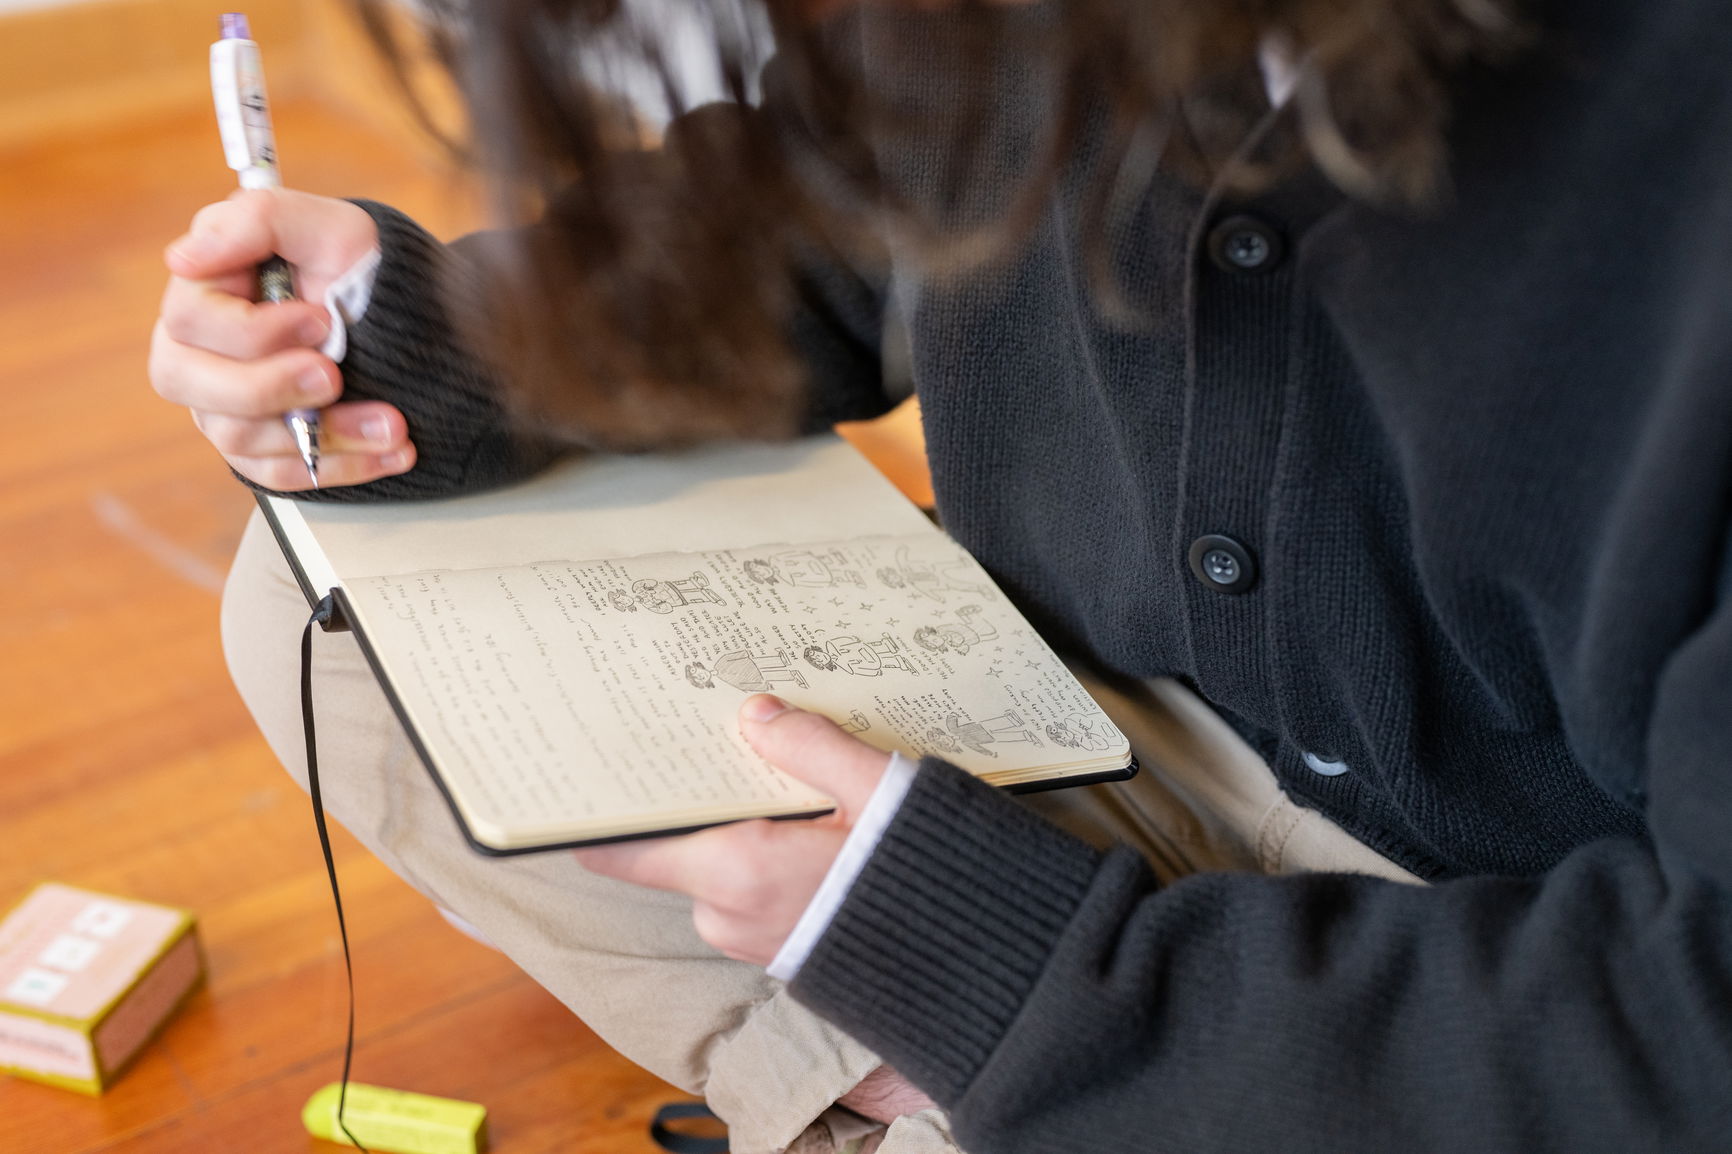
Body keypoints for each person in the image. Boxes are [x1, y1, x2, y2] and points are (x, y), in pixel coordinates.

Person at [148, 0, 1732, 1150]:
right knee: (327, 595)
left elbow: (1694, 1032)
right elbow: (805, 210)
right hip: (1068, 717)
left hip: (1518, 956)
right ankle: (947, 1094)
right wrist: (406, 344)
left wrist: (1023, 979)